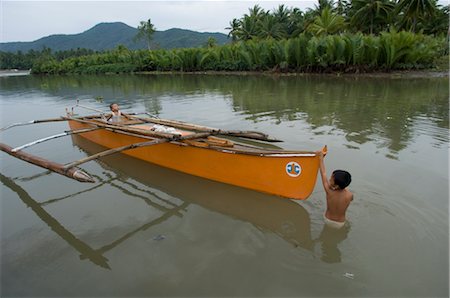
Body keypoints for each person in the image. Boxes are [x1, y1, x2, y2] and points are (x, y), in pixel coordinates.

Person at [316, 150, 353, 229]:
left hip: (328, 220)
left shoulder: (329, 191)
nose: (329, 179)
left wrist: (321, 158)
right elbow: (351, 199)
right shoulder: (350, 195)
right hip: (340, 223)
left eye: (330, 180)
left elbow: (323, 173)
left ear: (336, 186)